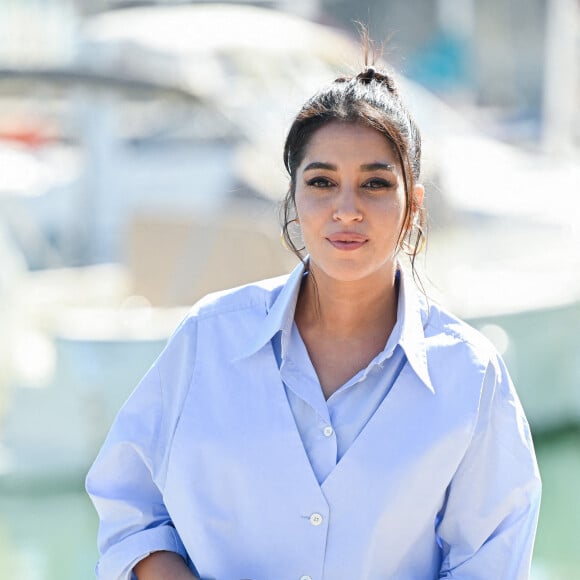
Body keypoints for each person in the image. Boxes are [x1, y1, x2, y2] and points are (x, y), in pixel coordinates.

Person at [86, 63, 541, 580]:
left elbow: (491, 565)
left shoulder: (472, 376)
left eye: (374, 183)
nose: (346, 209)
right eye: (322, 181)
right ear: (294, 196)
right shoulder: (208, 337)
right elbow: (129, 510)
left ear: (412, 205)